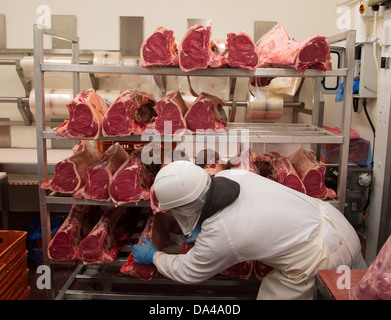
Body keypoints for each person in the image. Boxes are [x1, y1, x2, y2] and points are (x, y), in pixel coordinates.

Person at [132, 160, 367, 300]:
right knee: (360, 293)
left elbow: (189, 271)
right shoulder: (230, 175)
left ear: (183, 209)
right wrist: (201, 222)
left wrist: (154, 256)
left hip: (322, 256)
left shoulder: (223, 234)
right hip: (338, 225)